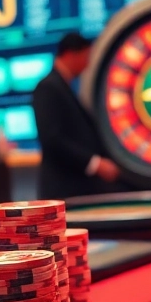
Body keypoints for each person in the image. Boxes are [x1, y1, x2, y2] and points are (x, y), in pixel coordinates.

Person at [32, 33, 120, 198]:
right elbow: (52, 139)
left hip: (78, 188)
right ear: (69, 54)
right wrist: (94, 163)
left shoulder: (63, 86)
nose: (88, 64)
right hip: (64, 190)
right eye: (86, 57)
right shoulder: (48, 88)